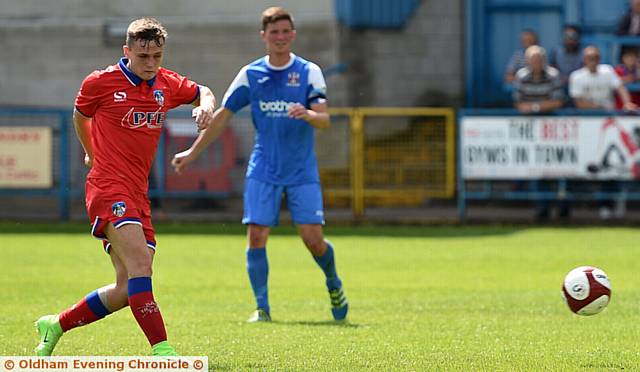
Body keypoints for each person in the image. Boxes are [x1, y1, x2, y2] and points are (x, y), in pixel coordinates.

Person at [34, 17, 216, 356]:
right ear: (127, 50)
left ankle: (55, 324)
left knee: (125, 289)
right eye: (143, 56)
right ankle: (163, 350)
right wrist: (91, 153)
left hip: (137, 193)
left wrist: (205, 105)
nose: (150, 64)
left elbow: (201, 91)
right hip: (107, 187)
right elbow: (80, 115)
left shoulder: (166, 83)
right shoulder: (100, 82)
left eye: (157, 56)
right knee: (141, 268)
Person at [171, 7, 348, 323]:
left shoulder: (309, 71)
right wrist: (193, 153)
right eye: (274, 32)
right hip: (263, 166)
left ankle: (333, 282)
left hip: (301, 170)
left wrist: (308, 114)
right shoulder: (250, 74)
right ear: (264, 36)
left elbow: (325, 119)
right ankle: (262, 307)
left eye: (285, 31)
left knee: (312, 239)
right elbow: (224, 115)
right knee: (256, 235)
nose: (279, 37)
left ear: (292, 34)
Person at [569, 46, 637, 111]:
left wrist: (627, 103)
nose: (593, 60)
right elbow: (578, 102)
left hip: (608, 114)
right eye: (589, 57)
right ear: (584, 59)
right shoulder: (576, 76)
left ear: (599, 58)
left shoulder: (608, 70)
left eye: (596, 57)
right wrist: (599, 107)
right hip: (586, 115)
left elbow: (620, 88)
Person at [513, 45, 565, 114]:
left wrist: (535, 107)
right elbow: (517, 103)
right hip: (526, 116)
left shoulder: (553, 75)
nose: (536, 62)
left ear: (544, 60)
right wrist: (544, 105)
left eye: (539, 59)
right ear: (527, 60)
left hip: (550, 115)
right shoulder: (521, 75)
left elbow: (558, 102)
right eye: (533, 59)